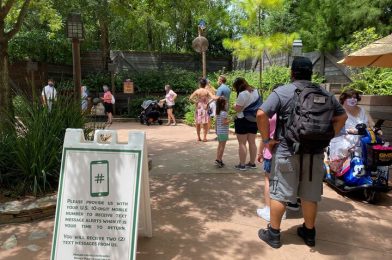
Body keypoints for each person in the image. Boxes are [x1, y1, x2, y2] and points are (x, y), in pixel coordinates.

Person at [256, 57, 347, 248]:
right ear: (310, 74)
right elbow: (342, 116)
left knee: (280, 193)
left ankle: (273, 234)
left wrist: (267, 141)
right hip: (315, 153)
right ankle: (309, 232)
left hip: (287, 150)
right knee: (309, 195)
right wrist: (326, 137)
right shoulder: (324, 93)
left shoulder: (283, 92)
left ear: (292, 73)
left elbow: (261, 114)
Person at [329, 89, 375, 165]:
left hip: (363, 138)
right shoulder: (338, 111)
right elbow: (333, 128)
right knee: (342, 146)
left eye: (355, 97)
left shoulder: (363, 110)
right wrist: (347, 131)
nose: (353, 99)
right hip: (344, 137)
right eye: (349, 97)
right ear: (344, 99)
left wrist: (375, 129)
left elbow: (372, 124)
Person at [232, 77, 261, 171]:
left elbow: (238, 109)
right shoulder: (256, 91)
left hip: (242, 119)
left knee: (242, 143)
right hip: (254, 119)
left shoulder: (242, 94)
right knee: (252, 142)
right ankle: (252, 163)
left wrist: (233, 106)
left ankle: (242, 165)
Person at [215, 97, 229, 168]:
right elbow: (224, 122)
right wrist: (232, 119)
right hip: (223, 132)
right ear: (223, 104)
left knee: (219, 146)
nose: (227, 104)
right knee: (222, 147)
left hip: (219, 131)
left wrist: (216, 131)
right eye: (226, 102)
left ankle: (218, 158)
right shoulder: (224, 113)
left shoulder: (218, 112)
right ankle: (219, 160)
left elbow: (217, 122)